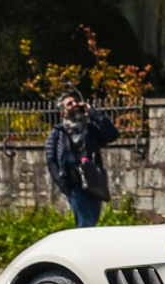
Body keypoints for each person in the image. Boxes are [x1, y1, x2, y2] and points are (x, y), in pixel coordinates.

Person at [43, 90, 117, 231]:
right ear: (63, 112)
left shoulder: (90, 129)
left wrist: (93, 113)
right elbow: (51, 160)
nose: (75, 104)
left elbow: (112, 134)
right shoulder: (58, 133)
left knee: (92, 221)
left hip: (93, 180)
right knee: (85, 223)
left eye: (76, 101)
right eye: (69, 103)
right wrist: (64, 185)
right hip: (74, 182)